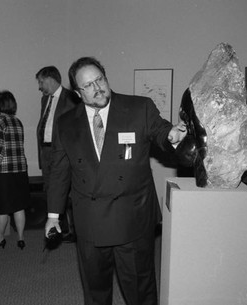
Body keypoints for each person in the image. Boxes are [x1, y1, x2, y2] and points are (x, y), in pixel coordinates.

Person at [44, 57, 187, 305]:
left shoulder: (138, 108)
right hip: (90, 219)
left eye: (99, 79)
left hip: (131, 217)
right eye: (88, 85)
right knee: (95, 290)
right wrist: (53, 216)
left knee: (140, 291)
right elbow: (59, 171)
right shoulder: (66, 123)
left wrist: (173, 136)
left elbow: (160, 130)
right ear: (78, 93)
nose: (97, 87)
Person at [36, 66, 80, 242]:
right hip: (46, 152)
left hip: (63, 152)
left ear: (50, 79)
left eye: (41, 81)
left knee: (69, 191)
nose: (39, 86)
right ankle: (60, 226)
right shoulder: (44, 99)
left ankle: (76, 230)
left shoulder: (71, 98)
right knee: (52, 189)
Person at [0, 90, 30, 251]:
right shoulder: (18, 122)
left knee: (2, 208)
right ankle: (21, 238)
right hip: (20, 170)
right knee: (18, 206)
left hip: (3, 172)